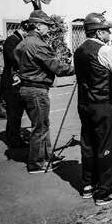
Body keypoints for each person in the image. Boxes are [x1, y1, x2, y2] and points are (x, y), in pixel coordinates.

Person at [73, 13, 112, 204]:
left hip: (85, 104)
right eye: (106, 30)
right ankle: (105, 191)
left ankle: (88, 185)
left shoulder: (79, 49)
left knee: (88, 145)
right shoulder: (105, 50)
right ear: (99, 33)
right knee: (106, 146)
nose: (108, 33)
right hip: (102, 103)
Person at [14, 10, 75, 174]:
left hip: (27, 87)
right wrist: (76, 69)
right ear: (38, 26)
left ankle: (47, 156)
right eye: (47, 25)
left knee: (42, 125)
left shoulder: (23, 42)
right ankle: (36, 162)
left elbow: (16, 62)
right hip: (36, 89)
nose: (49, 28)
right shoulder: (37, 44)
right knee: (40, 127)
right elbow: (56, 67)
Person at [2, 21, 30, 148]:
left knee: (16, 113)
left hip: (16, 81)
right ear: (23, 29)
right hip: (11, 82)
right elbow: (14, 58)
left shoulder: (18, 39)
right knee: (14, 113)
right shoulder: (12, 40)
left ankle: (12, 136)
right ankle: (14, 139)